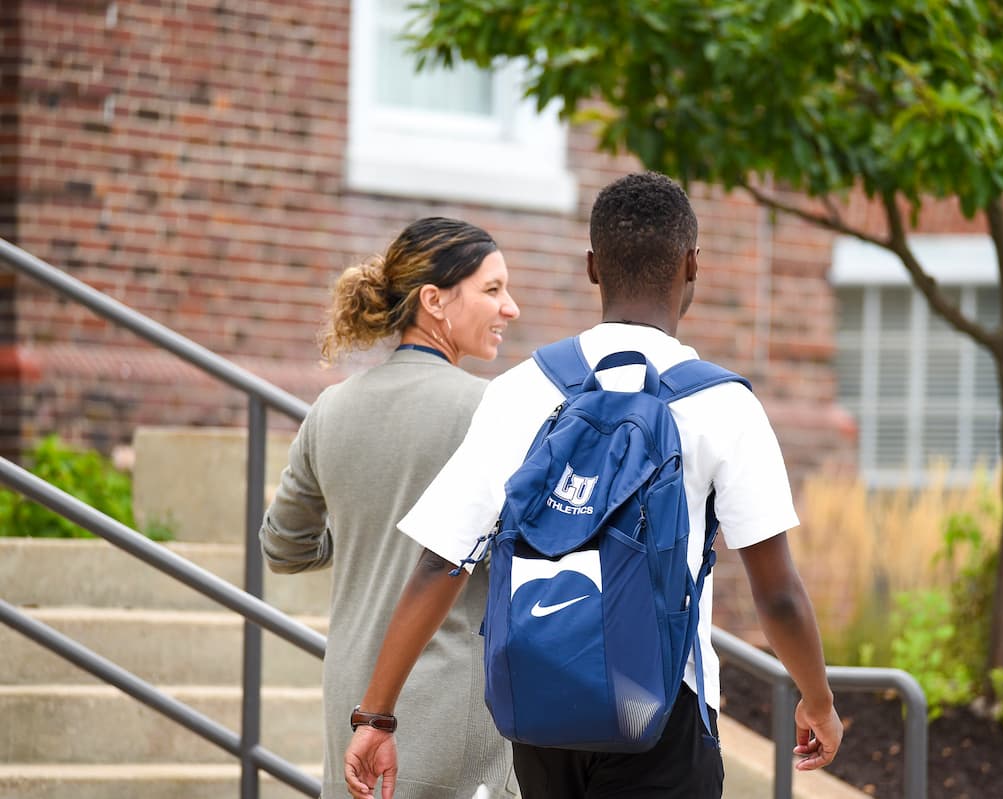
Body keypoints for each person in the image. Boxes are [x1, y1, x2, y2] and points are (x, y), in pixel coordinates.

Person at [343, 173, 843, 799]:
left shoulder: (522, 390)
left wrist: (376, 716)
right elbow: (778, 596)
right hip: (665, 711)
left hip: (542, 707)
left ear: (590, 268)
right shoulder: (722, 404)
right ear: (693, 266)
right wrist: (817, 701)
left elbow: (439, 564)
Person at [259, 217, 521, 799]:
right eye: (493, 289)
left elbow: (283, 546)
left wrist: (363, 537)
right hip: (454, 708)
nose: (511, 309)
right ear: (434, 300)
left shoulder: (331, 408)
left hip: (352, 705)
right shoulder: (495, 410)